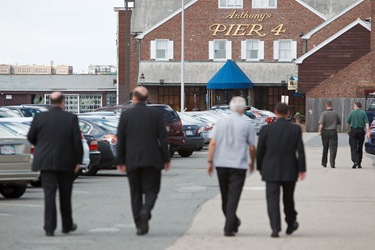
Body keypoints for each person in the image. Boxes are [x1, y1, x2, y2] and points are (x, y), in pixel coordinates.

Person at [116, 86, 171, 236]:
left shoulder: (126, 116)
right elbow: (163, 138)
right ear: (147, 99)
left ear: (134, 98)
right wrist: (166, 158)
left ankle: (139, 224)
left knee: (135, 192)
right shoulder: (155, 114)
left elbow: (121, 139)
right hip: (152, 158)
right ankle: (146, 210)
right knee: (152, 189)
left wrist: (120, 160)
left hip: (132, 159)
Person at [27, 92, 83, 237]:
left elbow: (30, 137)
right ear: (63, 102)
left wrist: (42, 146)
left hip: (45, 162)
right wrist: (78, 161)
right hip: (66, 163)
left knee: (49, 195)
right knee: (65, 196)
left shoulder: (40, 118)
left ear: (50, 102)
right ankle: (67, 225)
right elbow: (77, 142)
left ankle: (49, 227)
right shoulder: (71, 118)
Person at [207, 96, 256, 237]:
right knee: (234, 196)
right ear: (243, 109)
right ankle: (231, 223)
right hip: (238, 165)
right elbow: (252, 147)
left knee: (225, 196)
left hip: (221, 164)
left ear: (230, 107)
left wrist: (210, 161)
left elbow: (213, 143)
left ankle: (231, 223)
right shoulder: (247, 125)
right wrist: (252, 161)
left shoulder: (220, 122)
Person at [257, 102, 306, 238]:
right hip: (290, 168)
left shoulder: (266, 130)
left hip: (270, 169)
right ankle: (291, 222)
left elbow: (260, 150)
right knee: (288, 198)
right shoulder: (295, 130)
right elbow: (300, 151)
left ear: (275, 112)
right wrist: (302, 168)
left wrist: (259, 167)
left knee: (272, 199)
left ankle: (275, 228)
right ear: (288, 113)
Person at [346, 102, 370, 169]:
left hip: (353, 130)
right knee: (360, 146)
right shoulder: (363, 113)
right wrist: (368, 132)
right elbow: (367, 123)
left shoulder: (352, 113)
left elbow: (347, 123)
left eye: (354, 105)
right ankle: (359, 162)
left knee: (353, 146)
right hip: (361, 131)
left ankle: (355, 161)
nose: (353, 107)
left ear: (356, 106)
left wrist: (348, 131)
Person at [318, 101, 341, 168]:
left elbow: (321, 123)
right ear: (332, 105)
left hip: (325, 132)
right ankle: (332, 163)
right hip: (333, 131)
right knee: (333, 148)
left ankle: (324, 162)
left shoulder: (324, 114)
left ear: (326, 105)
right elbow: (339, 122)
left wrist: (319, 130)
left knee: (325, 147)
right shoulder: (335, 113)